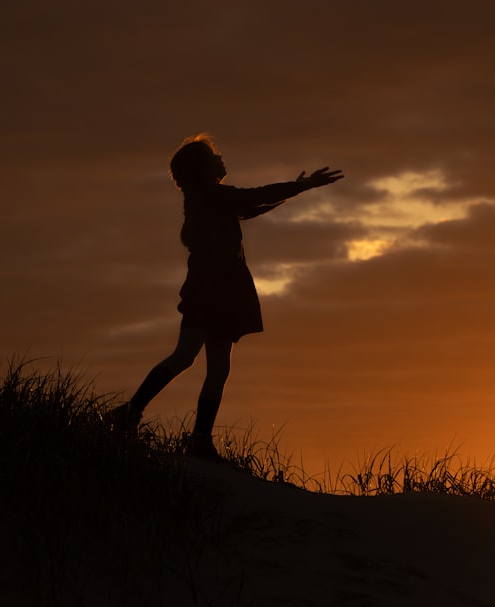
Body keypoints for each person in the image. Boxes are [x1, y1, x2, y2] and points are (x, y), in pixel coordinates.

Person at [110, 133, 344, 460]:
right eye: (215, 156)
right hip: (213, 285)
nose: (222, 160)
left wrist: (293, 190)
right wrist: (302, 186)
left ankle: (196, 439)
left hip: (221, 286)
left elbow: (248, 208)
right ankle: (134, 414)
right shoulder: (210, 194)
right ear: (204, 168)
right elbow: (250, 198)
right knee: (188, 356)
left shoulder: (206, 197)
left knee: (215, 367)